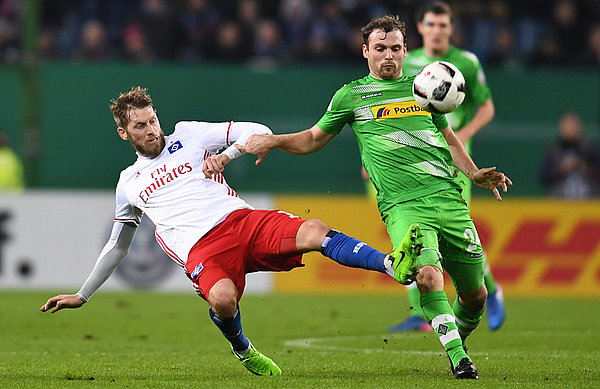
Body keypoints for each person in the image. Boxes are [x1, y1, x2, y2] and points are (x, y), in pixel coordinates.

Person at [40, 86, 423, 377]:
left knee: (314, 231)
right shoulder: (129, 183)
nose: (152, 130)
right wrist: (83, 295)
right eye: (140, 126)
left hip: (241, 221)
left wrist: (226, 155)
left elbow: (257, 130)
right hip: (202, 251)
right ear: (125, 134)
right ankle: (243, 348)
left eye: (153, 120)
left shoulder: (188, 134)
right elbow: (117, 246)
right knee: (223, 301)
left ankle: (393, 266)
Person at [237, 15, 512, 379]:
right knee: (427, 275)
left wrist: (474, 173)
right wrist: (274, 140)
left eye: (395, 48)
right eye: (380, 48)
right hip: (403, 206)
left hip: (449, 199)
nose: (388, 56)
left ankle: (454, 337)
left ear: (405, 50)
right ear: (365, 51)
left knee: (474, 296)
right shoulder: (351, 96)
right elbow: (313, 139)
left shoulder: (424, 89)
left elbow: (449, 139)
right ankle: (460, 358)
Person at [392, 0, 506, 333]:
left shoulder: (466, 63)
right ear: (421, 28)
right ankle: (419, 310)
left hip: (456, 161)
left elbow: (486, 107)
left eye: (444, 25)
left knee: (458, 236)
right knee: (414, 237)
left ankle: (491, 289)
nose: (438, 31)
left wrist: (464, 135)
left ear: (451, 28)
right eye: (431, 24)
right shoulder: (409, 62)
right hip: (415, 160)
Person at [541, 110, 600, 198]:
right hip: (560, 200)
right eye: (567, 126)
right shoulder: (554, 150)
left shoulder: (589, 149)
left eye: (573, 125)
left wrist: (583, 166)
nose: (570, 129)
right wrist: (562, 169)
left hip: (588, 201)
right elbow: (544, 177)